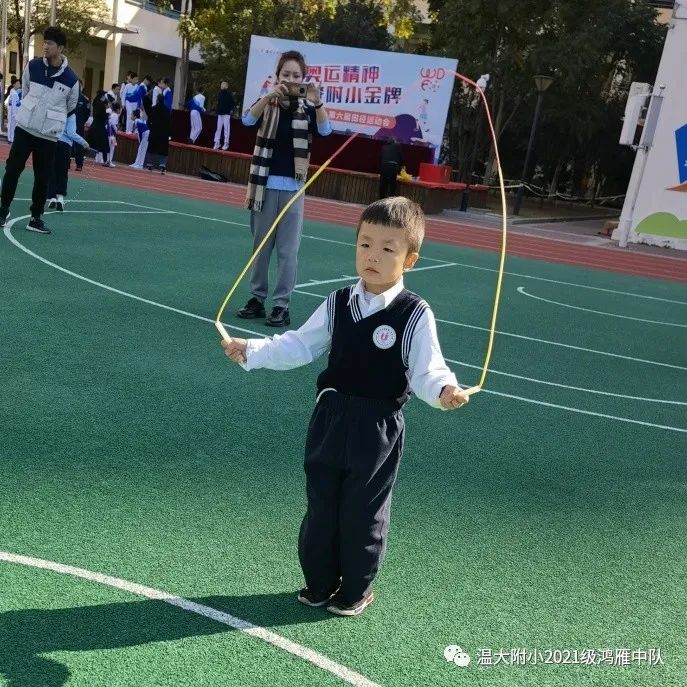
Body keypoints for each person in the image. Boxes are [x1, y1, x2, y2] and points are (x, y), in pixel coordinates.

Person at [221, 197, 470, 616]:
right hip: (331, 418)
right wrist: (253, 350)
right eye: (365, 244)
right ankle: (318, 584)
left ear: (410, 259)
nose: (372, 256)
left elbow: (427, 370)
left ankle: (354, 590)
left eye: (388, 249)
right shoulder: (338, 302)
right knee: (322, 504)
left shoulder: (414, 313)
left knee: (363, 511)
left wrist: (444, 390)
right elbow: (301, 343)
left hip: (377, 427)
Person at [238, 50, 331, 327]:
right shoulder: (267, 103)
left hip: (293, 191)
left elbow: (326, 132)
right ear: (277, 76)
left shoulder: (308, 107)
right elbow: (246, 121)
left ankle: (281, 305)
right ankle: (257, 299)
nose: (291, 79)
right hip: (263, 187)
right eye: (286, 74)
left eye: (296, 75)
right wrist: (269, 96)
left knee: (288, 251)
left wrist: (317, 103)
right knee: (260, 247)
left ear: (304, 78)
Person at [0, 26, 79, 234]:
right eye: (44, 42)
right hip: (25, 129)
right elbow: (26, 90)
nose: (45, 46)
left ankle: (35, 218)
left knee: (42, 177)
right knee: (12, 170)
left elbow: (71, 106)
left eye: (50, 43)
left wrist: (51, 120)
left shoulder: (71, 79)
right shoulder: (33, 66)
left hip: (48, 136)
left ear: (60, 48)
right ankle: (3, 209)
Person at [47, 113, 90, 212]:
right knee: (63, 173)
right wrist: (83, 142)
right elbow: (71, 133)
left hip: (54, 141)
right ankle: (60, 199)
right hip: (65, 146)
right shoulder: (72, 115)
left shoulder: (58, 110)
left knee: (52, 171)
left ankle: (52, 197)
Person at [146, 94, 171, 174]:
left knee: (151, 148)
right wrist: (168, 133)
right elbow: (169, 123)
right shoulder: (167, 110)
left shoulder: (153, 109)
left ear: (157, 99)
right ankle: (162, 166)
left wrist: (151, 128)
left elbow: (148, 120)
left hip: (154, 131)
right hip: (164, 133)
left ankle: (149, 165)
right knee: (163, 150)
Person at [87, 91, 111, 167]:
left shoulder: (95, 102)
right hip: (100, 126)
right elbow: (101, 115)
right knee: (104, 143)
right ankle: (105, 160)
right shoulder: (101, 105)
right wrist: (107, 115)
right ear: (101, 96)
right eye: (104, 95)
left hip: (94, 125)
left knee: (89, 141)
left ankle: (81, 155)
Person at [72, 80, 91, 171]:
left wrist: (81, 121)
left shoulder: (85, 99)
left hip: (79, 125)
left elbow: (87, 114)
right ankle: (65, 163)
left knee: (79, 145)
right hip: (69, 124)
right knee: (67, 144)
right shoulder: (69, 97)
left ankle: (79, 164)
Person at [213, 81, 234, 150]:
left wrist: (229, 110)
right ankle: (217, 142)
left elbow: (232, 104)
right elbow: (219, 103)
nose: (222, 86)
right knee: (219, 128)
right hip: (221, 113)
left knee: (226, 129)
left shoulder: (228, 95)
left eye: (223, 85)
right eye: (222, 85)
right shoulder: (220, 94)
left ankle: (226, 142)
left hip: (226, 114)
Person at [4, 77, 21, 143]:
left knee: (11, 125)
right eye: (18, 83)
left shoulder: (13, 91)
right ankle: (10, 139)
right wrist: (14, 114)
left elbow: (10, 103)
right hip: (13, 112)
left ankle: (10, 138)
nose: (19, 84)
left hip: (11, 111)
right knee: (12, 126)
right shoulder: (14, 93)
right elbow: (13, 104)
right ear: (14, 84)